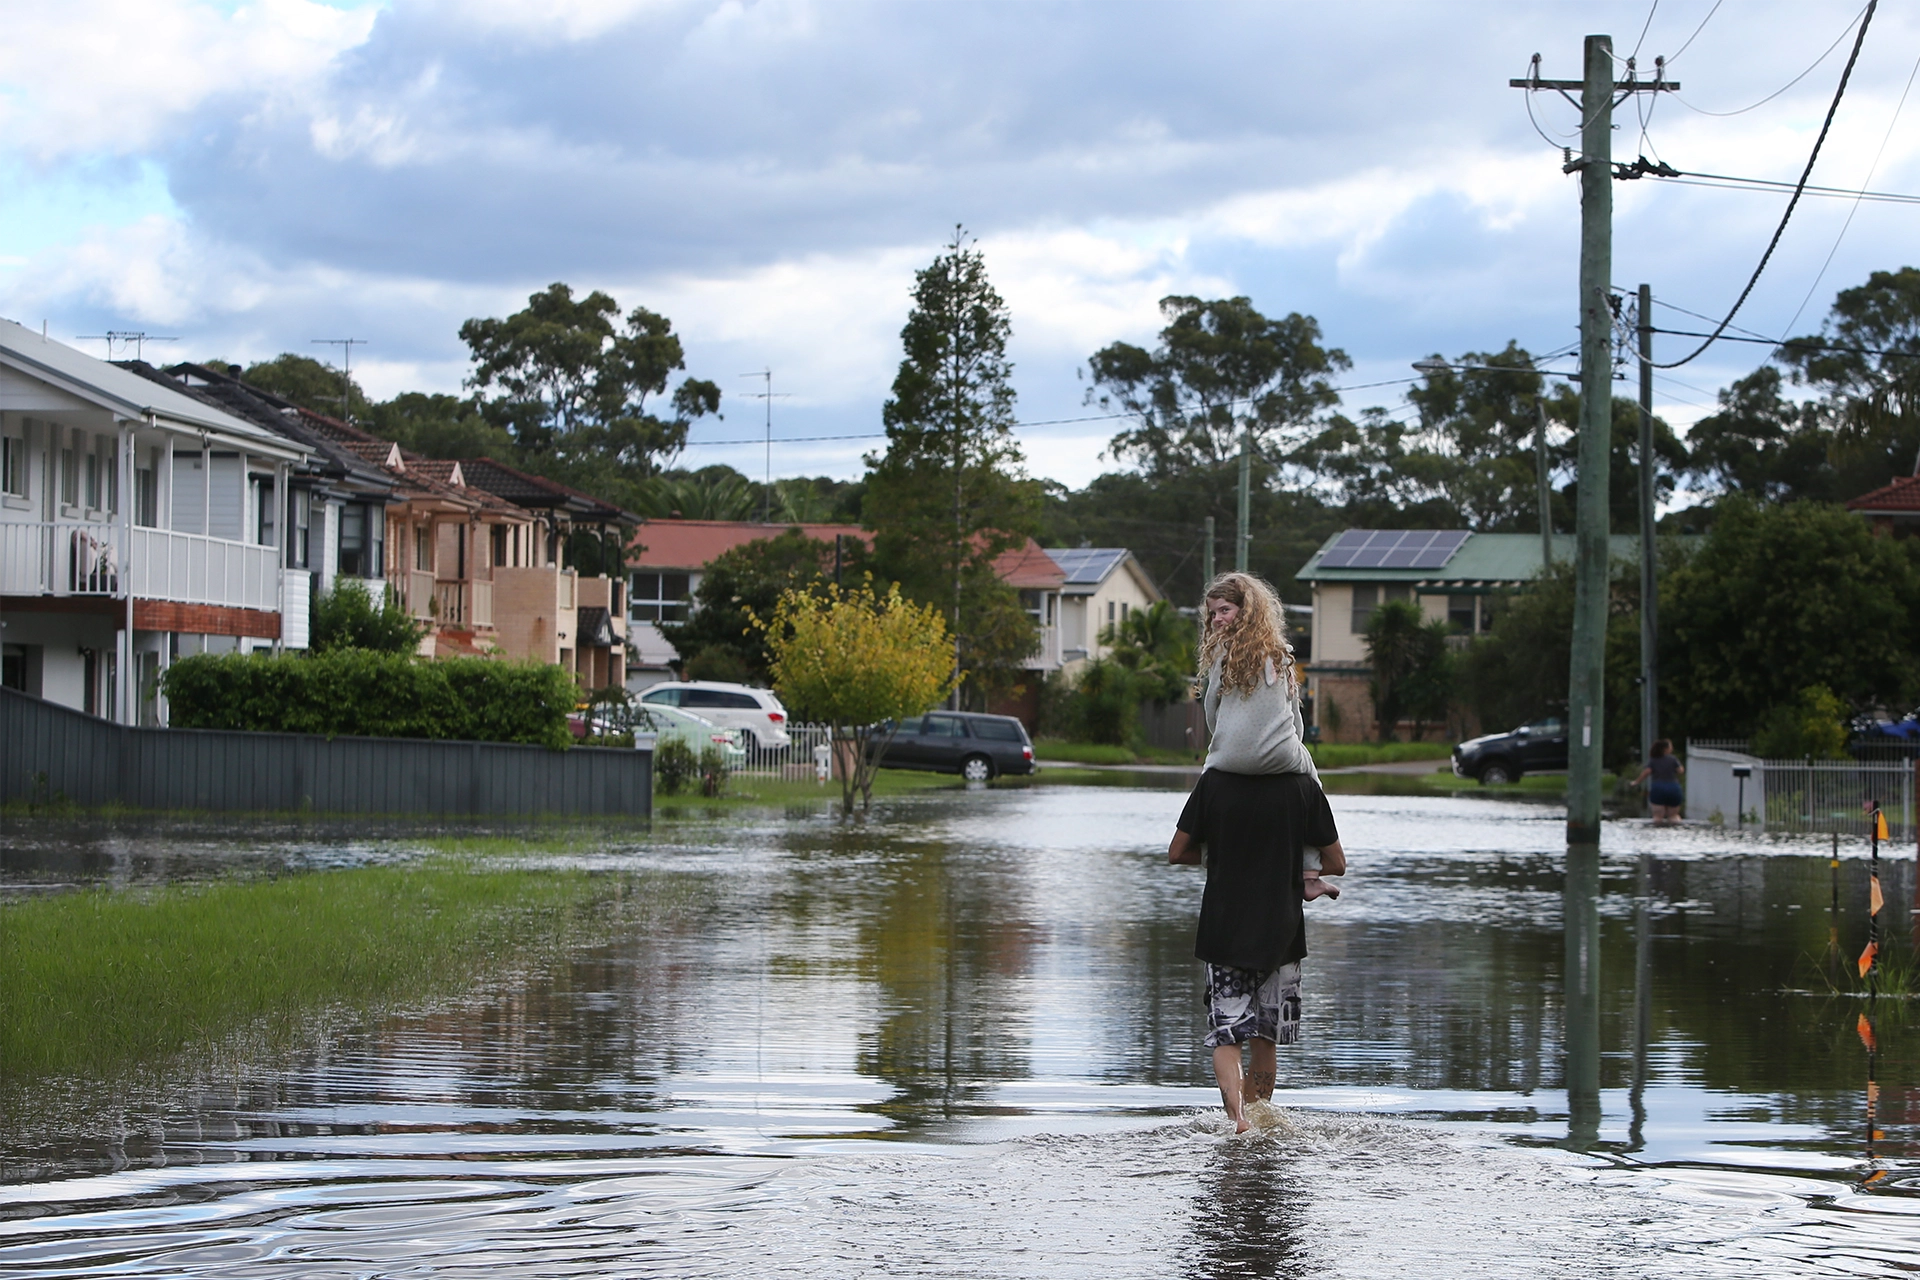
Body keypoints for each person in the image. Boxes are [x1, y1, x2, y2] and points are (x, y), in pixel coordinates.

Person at [1169, 782, 1344, 1134]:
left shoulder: (1214, 784)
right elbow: (1336, 862)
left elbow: (1176, 852)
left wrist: (1220, 855)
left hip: (1223, 932)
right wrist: (1287, 865)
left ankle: (1238, 1120)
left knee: (1227, 1036)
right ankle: (1259, 1122)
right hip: (1282, 933)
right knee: (1265, 1040)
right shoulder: (1303, 788)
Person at [1196, 571, 1338, 899]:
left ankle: (1208, 857)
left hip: (1228, 758)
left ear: (1245, 611)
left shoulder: (1222, 656)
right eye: (1213, 613)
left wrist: (1224, 743)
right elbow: (1294, 716)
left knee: (1206, 788)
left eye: (1224, 610)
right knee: (1312, 786)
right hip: (1279, 755)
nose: (1217, 619)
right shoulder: (1281, 654)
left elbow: (1211, 710)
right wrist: (1295, 749)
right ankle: (1311, 872)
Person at [1634, 738, 1685, 826]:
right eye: (1671, 747)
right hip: (1673, 788)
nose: (1672, 748)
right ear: (1666, 749)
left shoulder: (1653, 760)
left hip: (1658, 788)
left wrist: (1636, 782)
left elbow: (1647, 772)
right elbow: (1680, 771)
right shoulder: (1673, 759)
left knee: (1657, 816)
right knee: (1673, 816)